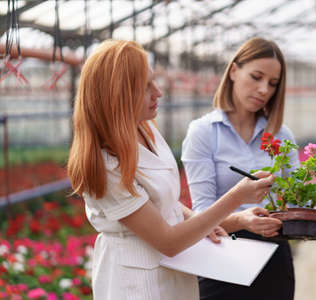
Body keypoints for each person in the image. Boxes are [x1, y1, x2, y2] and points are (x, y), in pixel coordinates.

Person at [67, 40, 274, 300]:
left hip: (175, 271)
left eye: (154, 82)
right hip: (136, 282)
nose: (158, 93)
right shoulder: (107, 164)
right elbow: (169, 241)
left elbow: (164, 204)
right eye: (145, 87)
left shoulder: (145, 128)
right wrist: (236, 197)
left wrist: (205, 223)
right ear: (118, 94)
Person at [181, 37, 300, 300]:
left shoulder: (282, 134)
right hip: (221, 255)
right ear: (234, 70)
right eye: (256, 77)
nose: (263, 90)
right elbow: (200, 216)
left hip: (274, 258)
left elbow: (298, 199)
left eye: (272, 83)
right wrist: (241, 220)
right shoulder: (204, 133)